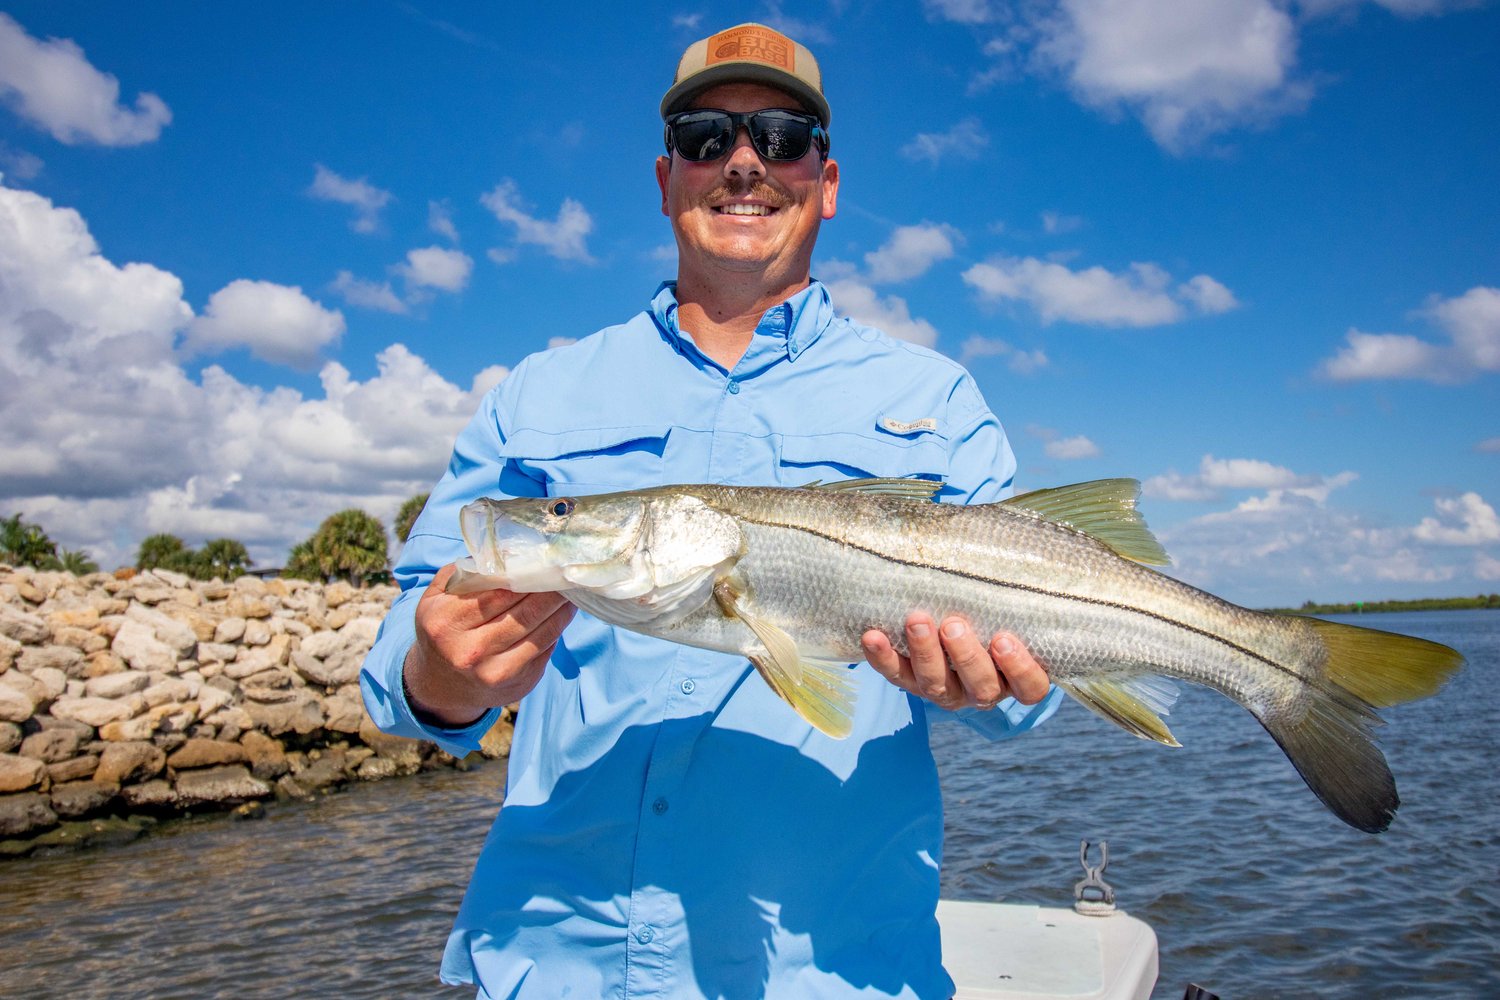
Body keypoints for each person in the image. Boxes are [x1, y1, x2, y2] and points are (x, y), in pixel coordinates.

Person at [361, 21, 1062, 1000]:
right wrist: (438, 672)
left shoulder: (938, 398)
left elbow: (1039, 693)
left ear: (826, 180)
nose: (743, 163)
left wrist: (1000, 685)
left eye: (781, 137)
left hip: (836, 975)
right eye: (705, 137)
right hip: (553, 968)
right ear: (665, 179)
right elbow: (405, 650)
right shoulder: (535, 394)